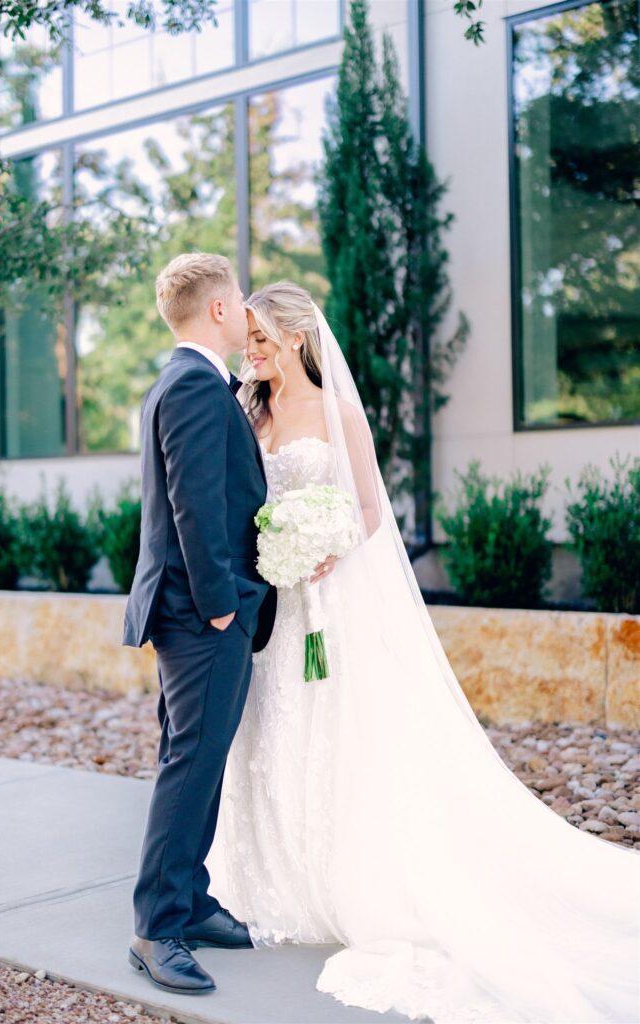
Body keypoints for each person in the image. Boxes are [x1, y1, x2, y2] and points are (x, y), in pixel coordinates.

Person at [205, 280, 640, 1024]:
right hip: (272, 609)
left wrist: (321, 549)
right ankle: (271, 873)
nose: (251, 352)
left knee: (338, 729)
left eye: (262, 340)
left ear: (296, 339)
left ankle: (344, 874)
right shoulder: (248, 409)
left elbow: (370, 511)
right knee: (270, 729)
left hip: (329, 599)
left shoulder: (338, 413)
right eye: (247, 340)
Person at [121, 253, 282, 995]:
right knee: (191, 761)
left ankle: (189, 901)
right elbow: (193, 502)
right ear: (217, 310)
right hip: (201, 612)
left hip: (193, 609)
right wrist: (222, 601)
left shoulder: (188, 380)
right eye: (239, 299)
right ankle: (157, 927)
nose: (245, 310)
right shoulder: (190, 383)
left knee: (199, 755)